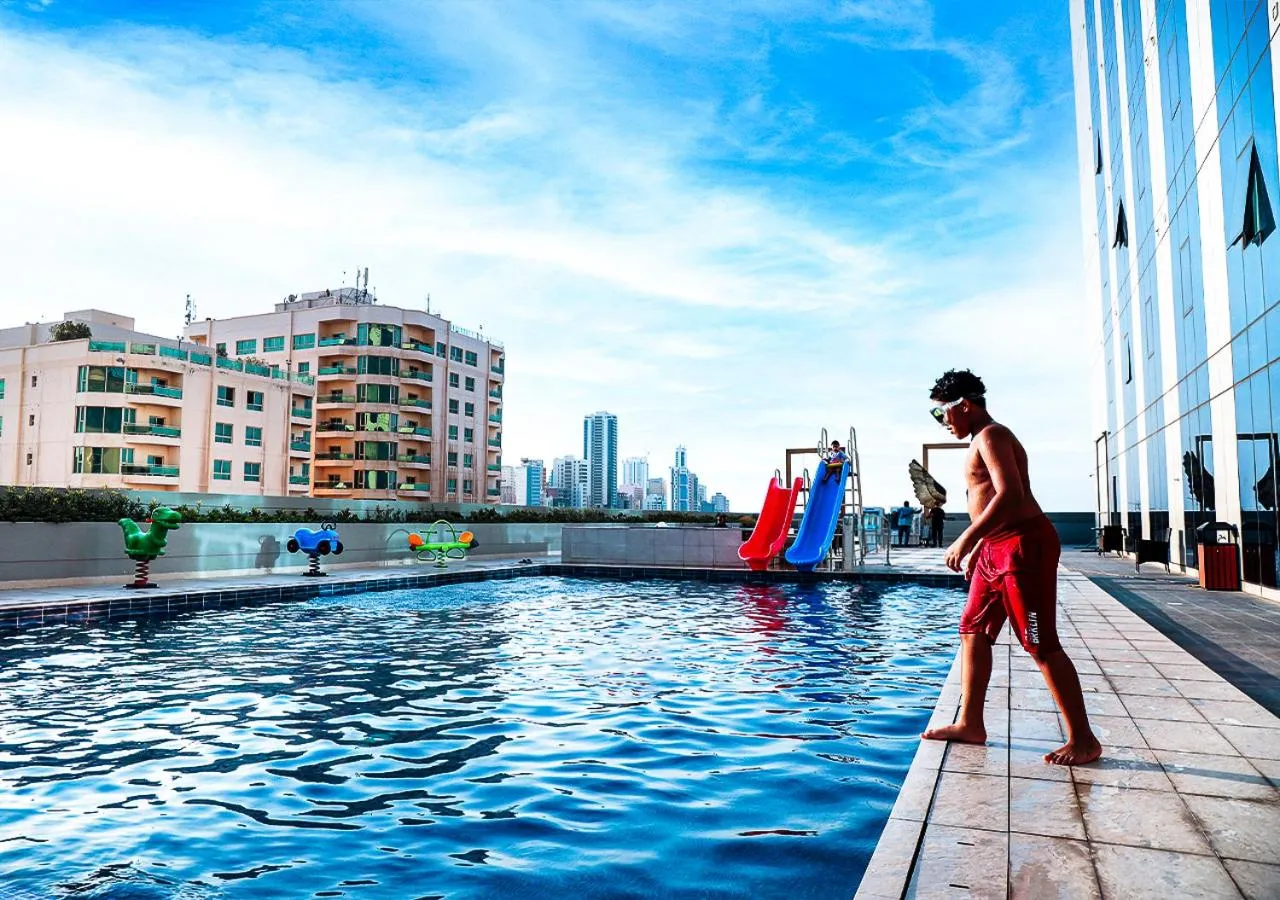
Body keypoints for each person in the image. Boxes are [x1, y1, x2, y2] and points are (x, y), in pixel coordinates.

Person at [921, 369, 1101, 766]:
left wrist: (966, 537)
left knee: (1038, 642)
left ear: (964, 406)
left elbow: (1010, 493)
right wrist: (982, 548)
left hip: (1023, 546)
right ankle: (970, 722)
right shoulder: (980, 440)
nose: (942, 422)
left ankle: (1084, 739)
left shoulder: (992, 435)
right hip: (996, 548)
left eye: (942, 414)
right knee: (972, 629)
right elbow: (990, 499)